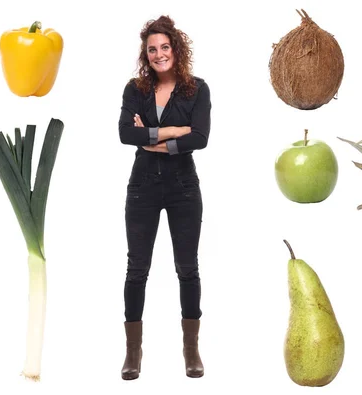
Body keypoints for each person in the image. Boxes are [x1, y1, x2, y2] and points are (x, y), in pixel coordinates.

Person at [118, 15, 211, 380]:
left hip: (183, 187)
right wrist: (175, 131)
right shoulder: (135, 89)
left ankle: (191, 349)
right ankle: (132, 353)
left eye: (165, 47)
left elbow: (200, 137)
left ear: (177, 48)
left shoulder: (197, 89)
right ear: (146, 55)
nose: (159, 54)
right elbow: (126, 134)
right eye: (152, 49)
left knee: (187, 268)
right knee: (136, 268)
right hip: (142, 185)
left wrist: (153, 138)